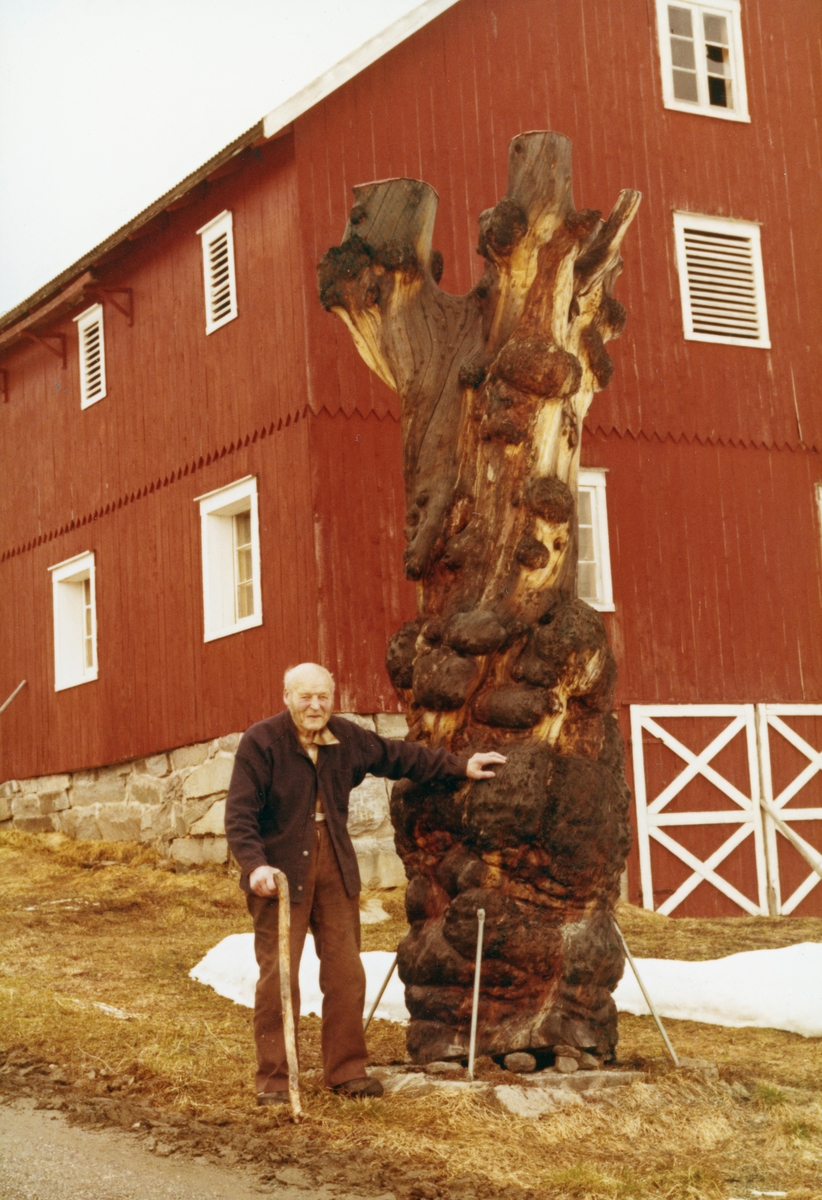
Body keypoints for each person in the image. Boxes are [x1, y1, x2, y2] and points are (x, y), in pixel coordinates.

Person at [224, 662, 506, 1105]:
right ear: (286, 697)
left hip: (334, 864)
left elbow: (399, 756)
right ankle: (276, 1078)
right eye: (305, 697)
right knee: (279, 977)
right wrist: (254, 865)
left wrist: (460, 766)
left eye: (323, 697)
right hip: (278, 874)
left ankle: (345, 1071)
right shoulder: (262, 742)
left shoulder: (346, 738)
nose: (315, 705)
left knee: (346, 973)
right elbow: (240, 815)